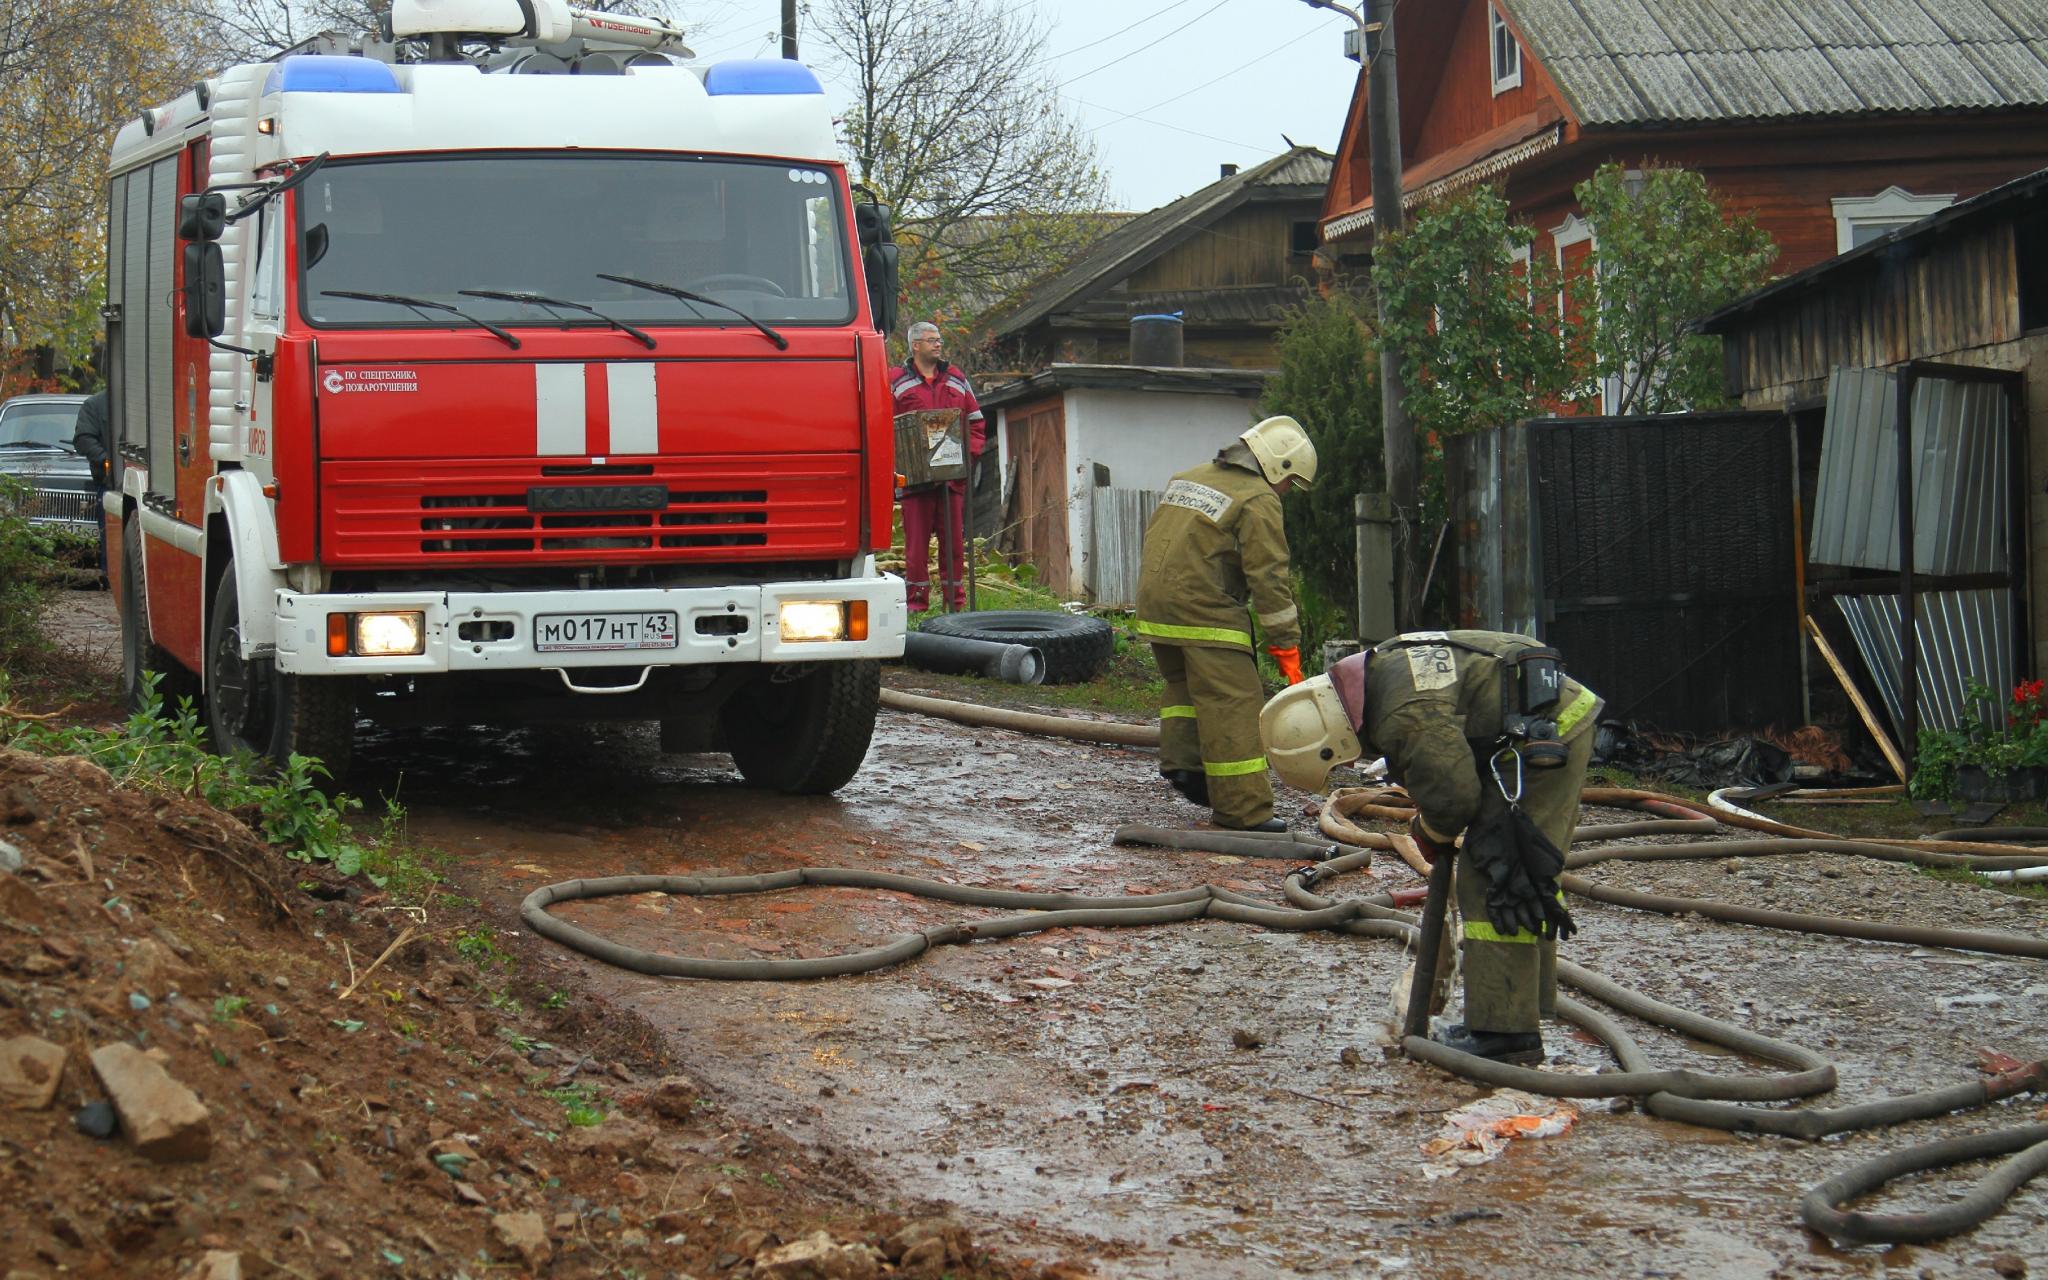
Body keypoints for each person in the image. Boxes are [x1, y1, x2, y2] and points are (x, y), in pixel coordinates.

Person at [1260, 631, 1604, 1064]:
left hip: (1549, 735)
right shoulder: (1381, 676)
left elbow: (1454, 795)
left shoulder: (1401, 712)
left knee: (1499, 871)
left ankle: (1507, 1035)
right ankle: (1514, 1015)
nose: (1348, 766)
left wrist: (1430, 830)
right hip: (1528, 727)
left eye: (1339, 762)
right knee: (1510, 871)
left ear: (1332, 739)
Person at [1135, 416, 1315, 833]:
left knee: (1184, 688)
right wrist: (1286, 647)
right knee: (1233, 702)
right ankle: (1245, 812)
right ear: (1278, 466)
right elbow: (1269, 577)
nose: (1287, 492)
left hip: (1156, 605)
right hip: (1206, 612)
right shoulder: (1257, 499)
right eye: (1291, 482)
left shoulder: (1188, 478)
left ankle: (1189, 769)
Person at [890, 322, 985, 613]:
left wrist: (966, 459)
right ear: (915, 345)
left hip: (951, 480)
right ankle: (915, 604)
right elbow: (883, 426)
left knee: (954, 546)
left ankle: (954, 604)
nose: (938, 345)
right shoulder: (894, 380)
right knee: (916, 548)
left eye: (940, 340)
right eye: (932, 340)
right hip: (914, 481)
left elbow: (976, 422)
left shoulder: (956, 378)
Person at [72, 388, 112, 585]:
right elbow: (83, 439)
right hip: (108, 483)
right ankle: (109, 574)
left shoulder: (142, 401)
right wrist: (106, 460)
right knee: (109, 532)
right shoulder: (95, 405)